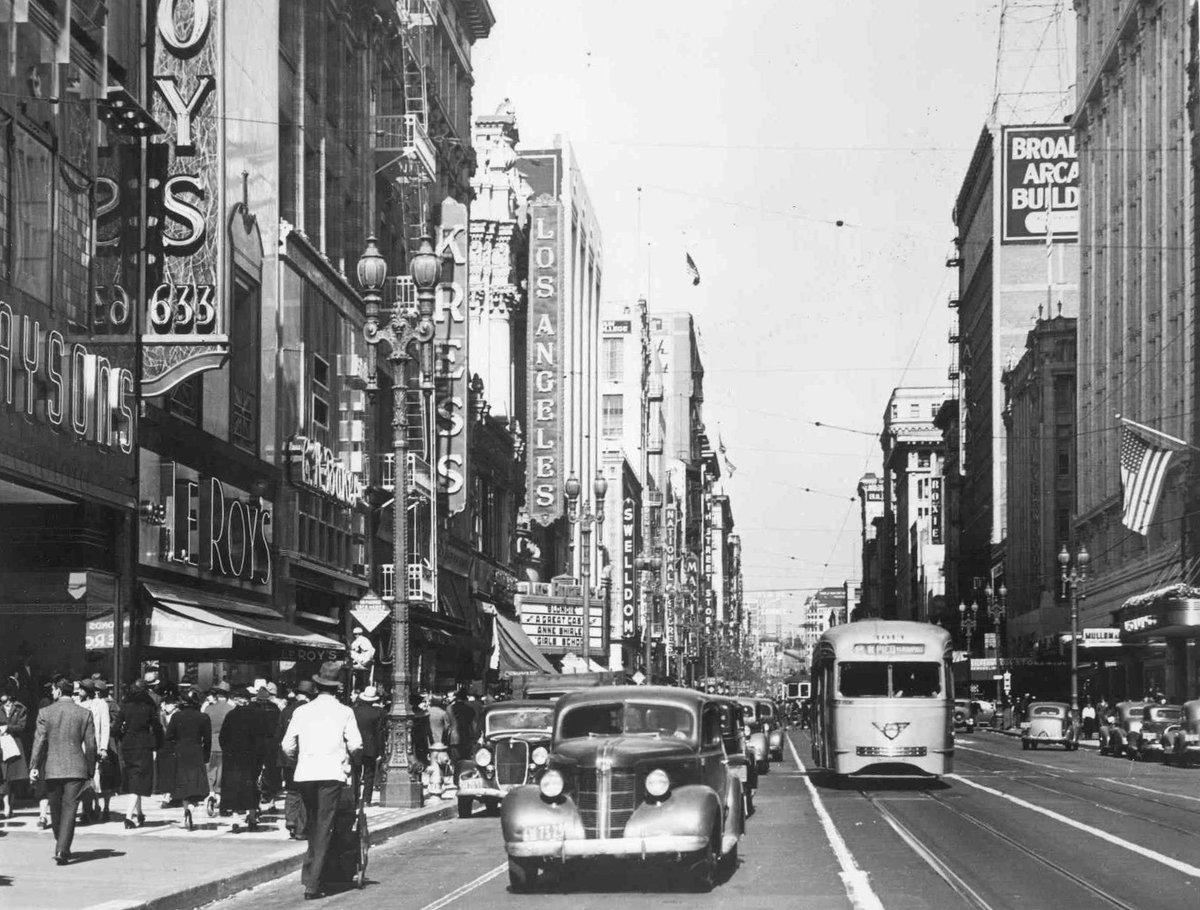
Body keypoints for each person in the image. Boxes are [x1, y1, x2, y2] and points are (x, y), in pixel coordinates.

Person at [282, 668, 363, 901]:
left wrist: (299, 759)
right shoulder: (344, 711)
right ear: (337, 689)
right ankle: (314, 881)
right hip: (330, 774)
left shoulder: (302, 711)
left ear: (316, 688)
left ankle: (313, 872)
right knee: (325, 824)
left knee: (312, 823)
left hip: (306, 773)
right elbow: (356, 744)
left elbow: (287, 745)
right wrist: (351, 760)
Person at [29, 675, 96, 865]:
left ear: (58, 692)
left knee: (55, 808)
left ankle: (61, 844)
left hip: (52, 767)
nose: (52, 693)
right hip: (76, 767)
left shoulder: (45, 712)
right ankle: (62, 847)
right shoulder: (84, 713)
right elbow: (90, 745)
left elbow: (39, 741)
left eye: (52, 691)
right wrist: (91, 770)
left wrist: (34, 765)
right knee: (70, 809)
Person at [166, 689, 211, 830]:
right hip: (196, 752)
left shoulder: (176, 717)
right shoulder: (203, 717)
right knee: (197, 786)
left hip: (180, 752)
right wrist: (206, 755)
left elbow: (168, 736)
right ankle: (190, 810)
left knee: (183, 784)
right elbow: (208, 739)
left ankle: (186, 809)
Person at [220, 687, 263, 832]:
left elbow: (223, 738)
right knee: (250, 787)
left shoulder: (230, 715)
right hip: (250, 757)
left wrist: (228, 752)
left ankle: (235, 818)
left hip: (232, 758)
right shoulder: (256, 715)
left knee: (233, 787)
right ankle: (251, 817)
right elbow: (259, 738)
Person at [279, 680, 315, 839]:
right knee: (305, 793)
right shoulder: (310, 712)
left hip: (288, 758)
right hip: (306, 757)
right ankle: (301, 828)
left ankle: (290, 819)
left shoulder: (286, 711)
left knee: (292, 790)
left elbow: (279, 736)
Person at [202, 681, 233, 816]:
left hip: (209, 744)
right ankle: (219, 795)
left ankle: (210, 793)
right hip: (224, 745)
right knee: (222, 771)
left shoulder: (208, 709)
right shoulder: (230, 709)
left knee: (210, 770)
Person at [0, 681, 31, 818]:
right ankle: (6, 806)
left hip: (14, 745)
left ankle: (10, 805)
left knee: (12, 777)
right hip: (1, 745)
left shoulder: (20, 708)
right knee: (4, 777)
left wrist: (8, 728)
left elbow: (22, 727)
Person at [353, 687, 385, 806]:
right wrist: (381, 750)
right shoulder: (377, 713)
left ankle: (355, 797)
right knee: (369, 774)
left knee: (356, 773)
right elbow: (379, 733)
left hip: (356, 745)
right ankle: (367, 799)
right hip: (371, 746)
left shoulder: (354, 711)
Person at [252, 686, 282, 809]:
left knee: (255, 770)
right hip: (271, 743)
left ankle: (257, 798)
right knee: (272, 771)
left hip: (257, 742)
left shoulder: (253, 709)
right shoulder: (274, 708)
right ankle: (271, 798)